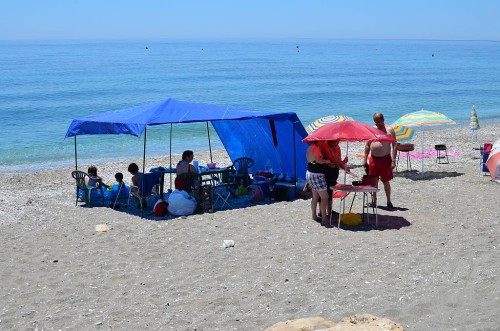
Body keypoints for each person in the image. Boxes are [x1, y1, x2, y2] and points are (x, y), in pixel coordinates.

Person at [363, 112, 398, 209]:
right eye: (375, 122)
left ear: (383, 120)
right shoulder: (372, 130)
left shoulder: (389, 130)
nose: (377, 123)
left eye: (379, 121)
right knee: (374, 181)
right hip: (374, 159)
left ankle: (388, 201)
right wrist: (365, 159)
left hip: (385, 159)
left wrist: (393, 160)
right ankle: (374, 201)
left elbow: (395, 145)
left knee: (385, 181)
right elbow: (367, 145)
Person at [320, 140, 356, 214]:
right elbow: (331, 159)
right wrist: (343, 162)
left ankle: (329, 210)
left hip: (334, 170)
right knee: (324, 191)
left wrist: (344, 167)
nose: (336, 143)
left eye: (338, 142)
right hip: (326, 170)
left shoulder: (337, 147)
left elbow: (338, 160)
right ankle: (321, 211)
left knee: (331, 190)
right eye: (335, 142)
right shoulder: (325, 145)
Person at [306, 141, 333, 227]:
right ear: (318, 141)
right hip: (317, 175)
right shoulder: (316, 148)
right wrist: (326, 161)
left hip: (309, 173)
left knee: (315, 196)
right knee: (325, 197)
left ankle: (314, 215)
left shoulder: (310, 148)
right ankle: (324, 218)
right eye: (323, 141)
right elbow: (318, 160)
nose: (324, 142)